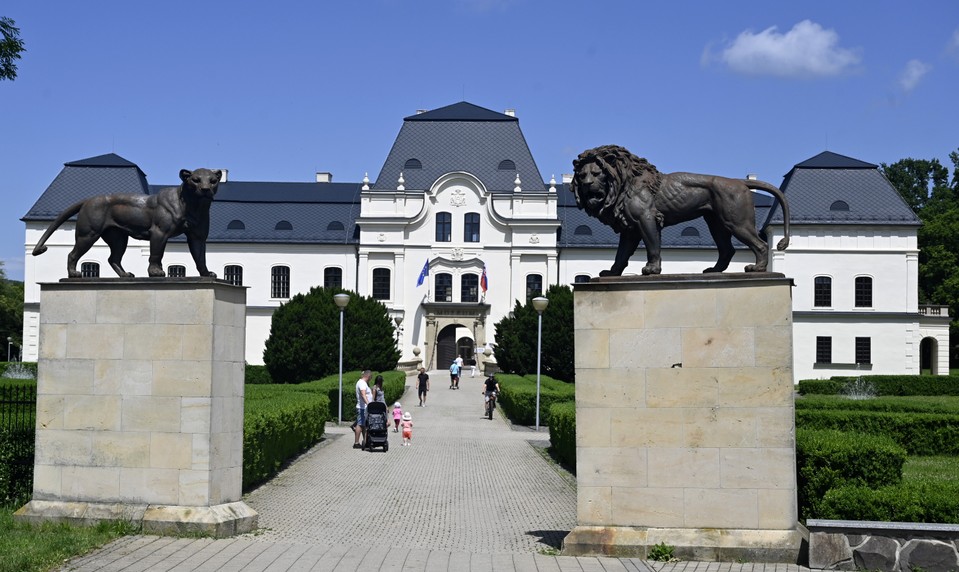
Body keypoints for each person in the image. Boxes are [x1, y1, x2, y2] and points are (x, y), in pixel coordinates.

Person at [353, 370, 372, 448]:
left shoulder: (362, 383)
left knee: (363, 425)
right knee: (360, 424)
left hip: (363, 407)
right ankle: (356, 443)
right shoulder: (362, 383)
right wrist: (369, 404)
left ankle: (365, 441)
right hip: (362, 407)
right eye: (371, 377)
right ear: (368, 376)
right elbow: (363, 394)